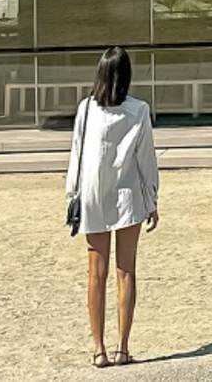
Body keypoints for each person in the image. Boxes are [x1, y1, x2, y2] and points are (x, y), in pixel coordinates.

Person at [65, 47, 159, 368]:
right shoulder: (139, 110)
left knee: (96, 272)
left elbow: (76, 154)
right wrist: (152, 199)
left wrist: (72, 194)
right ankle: (122, 347)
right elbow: (146, 159)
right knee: (126, 271)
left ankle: (98, 348)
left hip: (92, 192)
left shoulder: (87, 109)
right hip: (128, 193)